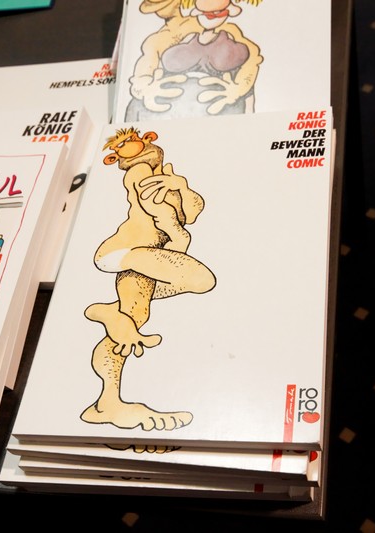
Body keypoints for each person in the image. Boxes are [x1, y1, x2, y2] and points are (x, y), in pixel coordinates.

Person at [81, 127, 216, 431]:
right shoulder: (140, 170)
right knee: (201, 278)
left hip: (141, 257)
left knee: (134, 318)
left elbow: (192, 211)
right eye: (120, 145)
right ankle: (103, 311)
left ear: (148, 138)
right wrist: (179, 235)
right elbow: (163, 213)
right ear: (114, 157)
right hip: (126, 250)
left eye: (130, 139)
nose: (129, 145)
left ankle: (107, 402)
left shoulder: (162, 172)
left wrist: (181, 186)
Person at [125, 0, 263, 120]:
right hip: (159, 116)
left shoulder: (231, 32)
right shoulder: (173, 31)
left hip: (221, 117)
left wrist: (239, 89)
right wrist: (143, 86)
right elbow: (149, 56)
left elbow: (253, 60)